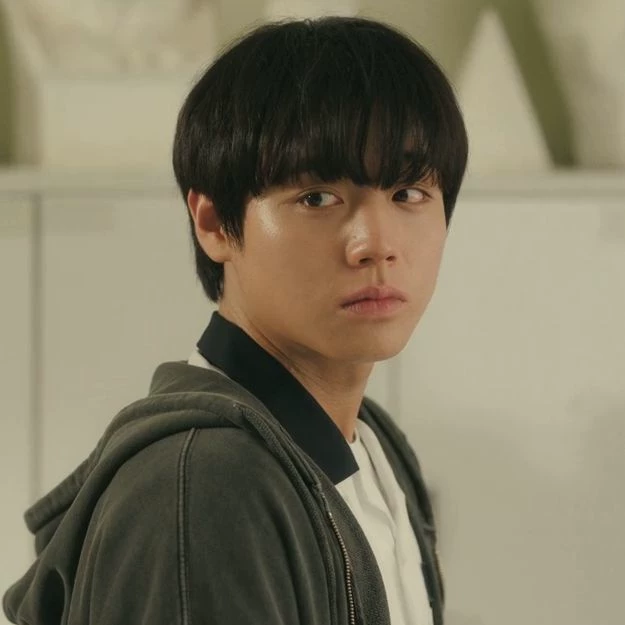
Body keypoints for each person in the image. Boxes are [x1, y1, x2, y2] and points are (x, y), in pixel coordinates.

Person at [3, 15, 468, 625]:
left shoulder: (376, 444)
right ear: (214, 223)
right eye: (317, 198)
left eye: (408, 194)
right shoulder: (206, 485)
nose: (376, 244)